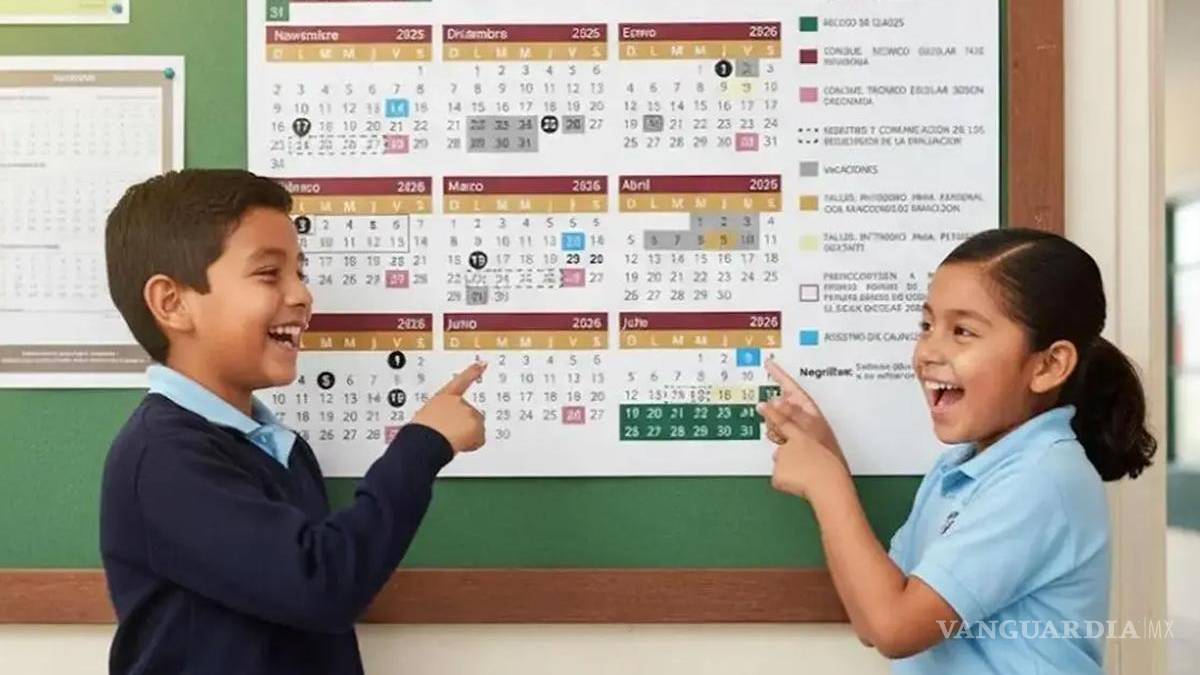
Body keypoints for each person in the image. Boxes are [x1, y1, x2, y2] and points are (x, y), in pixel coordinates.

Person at [99, 169, 486, 674]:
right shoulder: (164, 457)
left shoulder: (278, 448)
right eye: (269, 273)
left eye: (299, 272)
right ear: (172, 304)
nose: (302, 294)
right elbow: (321, 584)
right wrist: (423, 445)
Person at [759, 228, 1156, 674]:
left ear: (1048, 365)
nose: (928, 351)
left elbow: (894, 629)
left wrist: (826, 485)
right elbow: (875, 616)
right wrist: (825, 454)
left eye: (962, 331)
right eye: (927, 326)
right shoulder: (960, 469)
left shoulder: (1041, 478)